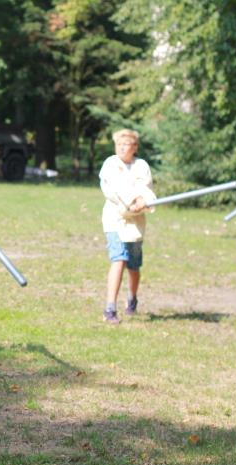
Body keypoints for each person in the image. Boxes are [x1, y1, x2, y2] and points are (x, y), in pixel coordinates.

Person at [99, 129, 156, 325]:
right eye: (119, 144)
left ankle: (132, 298)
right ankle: (110, 308)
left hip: (136, 223)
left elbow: (146, 187)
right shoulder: (110, 164)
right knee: (119, 259)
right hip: (115, 220)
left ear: (135, 147)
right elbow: (114, 188)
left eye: (127, 145)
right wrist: (132, 200)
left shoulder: (141, 166)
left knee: (133, 266)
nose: (123, 148)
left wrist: (143, 200)